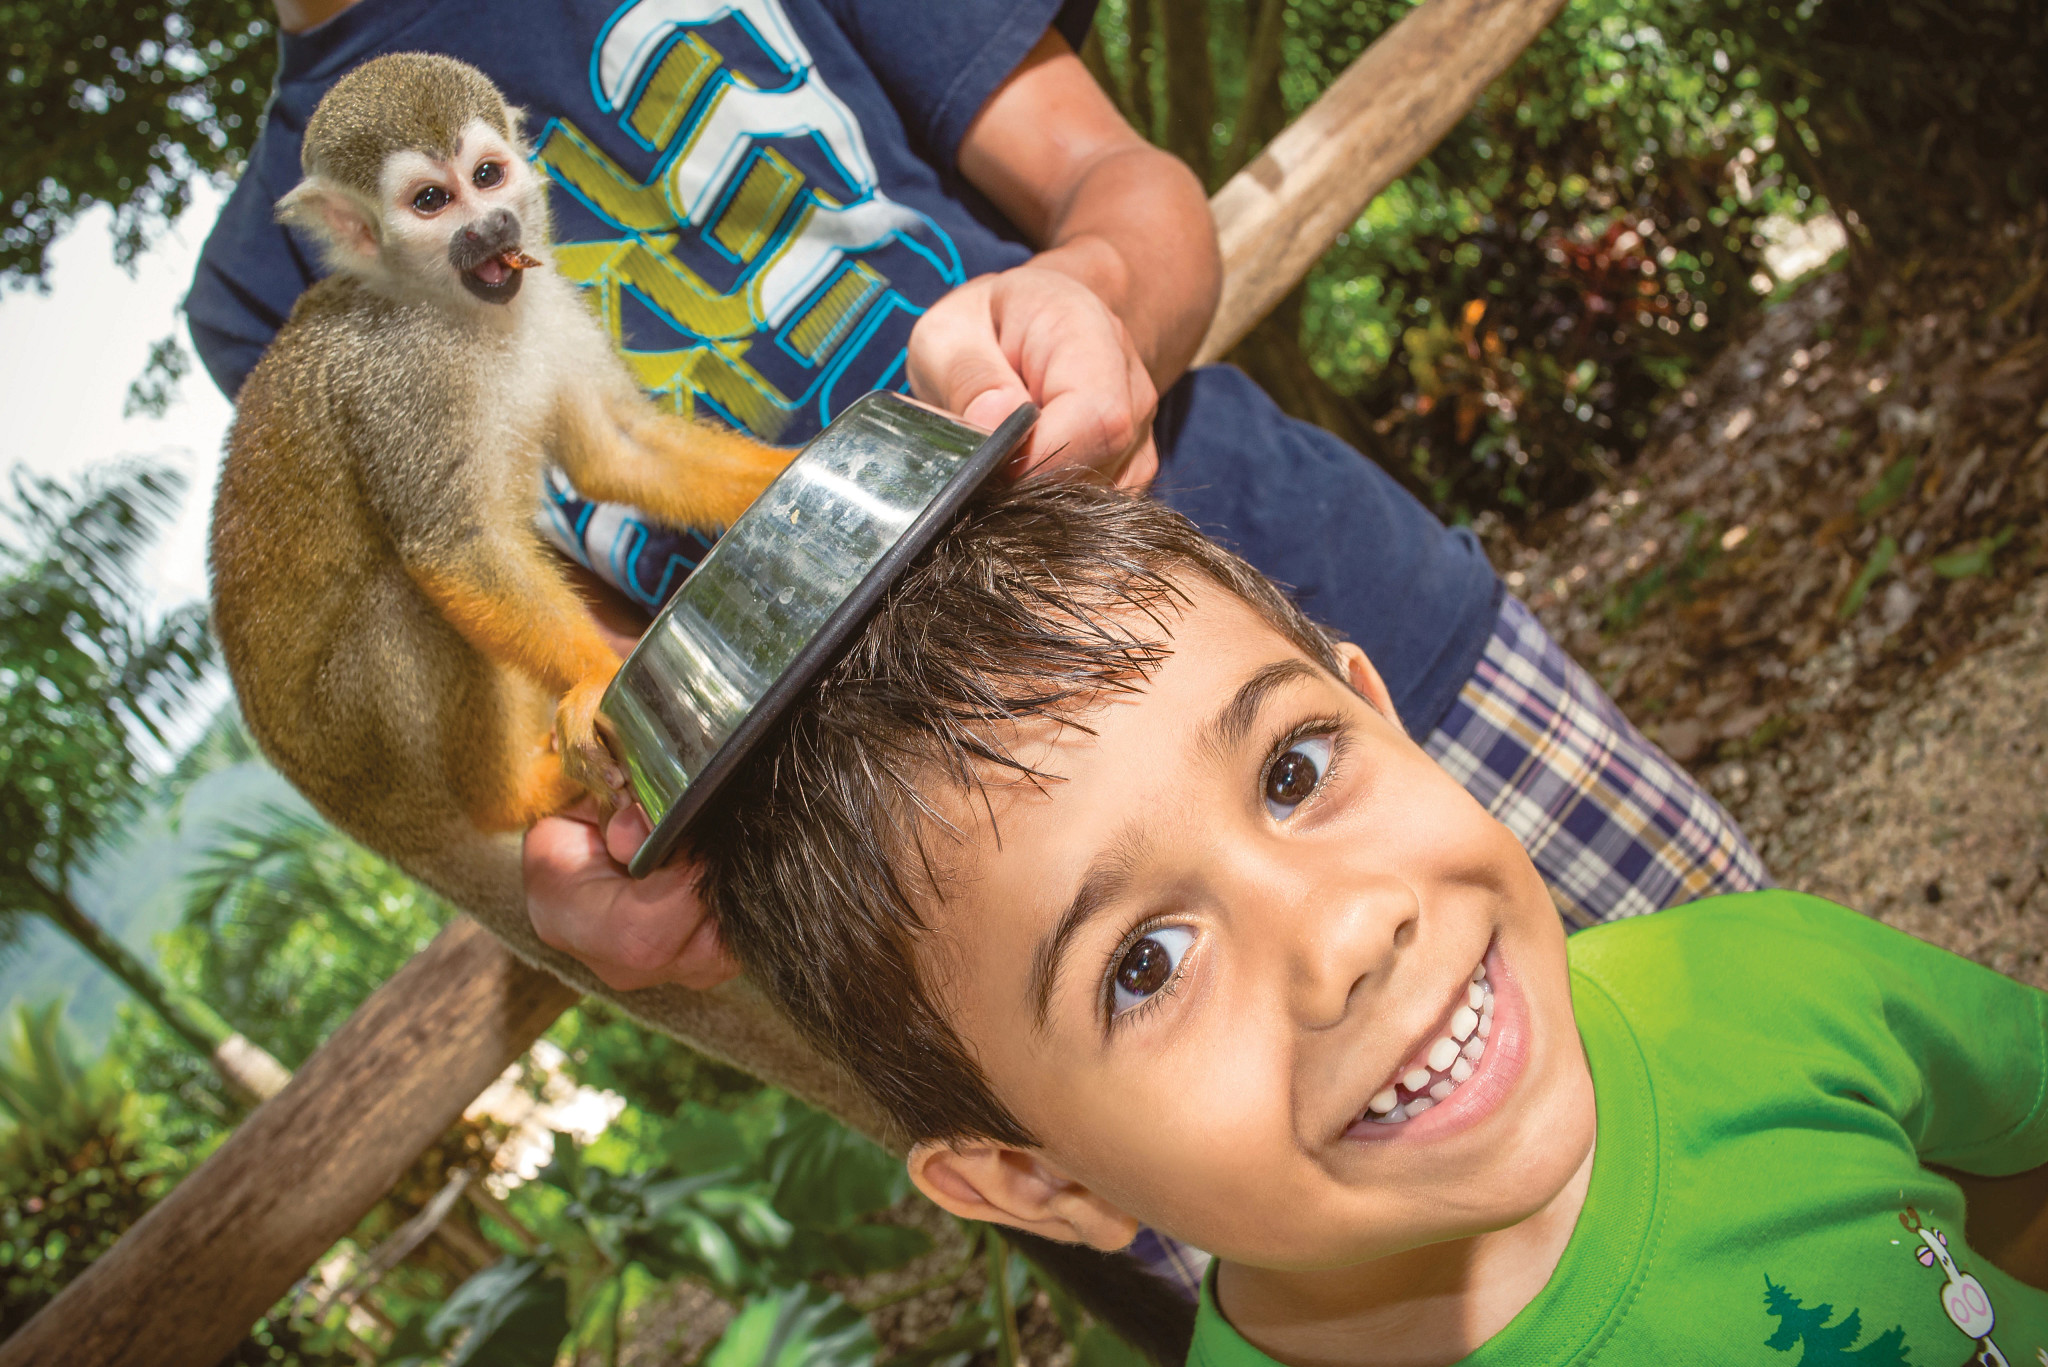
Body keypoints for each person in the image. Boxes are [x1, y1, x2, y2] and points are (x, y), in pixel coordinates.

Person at [190, 0, 1764, 1296]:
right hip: (1023, 992)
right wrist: (637, 856)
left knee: (1795, 1078)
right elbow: (576, 669)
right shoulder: (272, 300)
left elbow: (1120, 185)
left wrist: (1091, 303)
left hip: (1334, 664)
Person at [690, 474, 2048, 1365]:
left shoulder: (1767, 977)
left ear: (1380, 714)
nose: (1342, 937)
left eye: (1292, 771)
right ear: (1038, 1183)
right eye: (1145, 967)